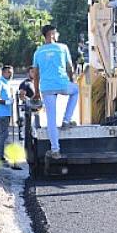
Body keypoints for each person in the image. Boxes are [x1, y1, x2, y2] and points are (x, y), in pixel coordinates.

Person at [33, 24, 79, 160]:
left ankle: (55, 150)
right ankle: (66, 120)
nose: (57, 35)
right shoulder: (62, 48)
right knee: (75, 90)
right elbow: (69, 67)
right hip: (62, 83)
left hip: (46, 87)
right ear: (51, 34)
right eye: (56, 33)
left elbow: (36, 74)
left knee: (51, 120)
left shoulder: (38, 52)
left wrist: (36, 92)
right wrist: (72, 80)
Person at [0, 65, 21, 170]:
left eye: (11, 72)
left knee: (2, 134)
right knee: (3, 135)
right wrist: (6, 102)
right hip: (1, 114)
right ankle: (0, 157)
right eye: (8, 72)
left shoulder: (7, 83)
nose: (10, 74)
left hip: (6, 113)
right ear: (3, 73)